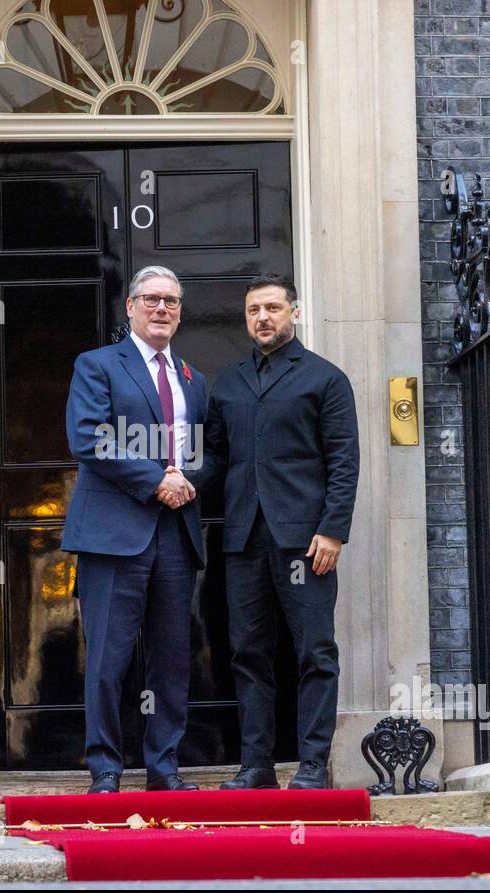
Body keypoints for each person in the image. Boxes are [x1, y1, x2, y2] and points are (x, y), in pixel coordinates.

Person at [195, 273, 360, 790]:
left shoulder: (325, 378)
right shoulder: (229, 382)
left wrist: (333, 530)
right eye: (253, 311)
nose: (262, 318)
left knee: (314, 652)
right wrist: (176, 480)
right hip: (242, 539)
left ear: (294, 312)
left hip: (306, 542)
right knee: (248, 654)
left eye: (272, 308)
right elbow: (216, 457)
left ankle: (312, 766)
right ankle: (256, 766)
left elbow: (343, 460)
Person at [61, 266, 207, 793]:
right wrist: (156, 480)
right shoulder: (98, 365)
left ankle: (164, 768)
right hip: (112, 532)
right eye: (151, 299)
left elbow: (205, 449)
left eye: (170, 300)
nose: (161, 308)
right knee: (107, 658)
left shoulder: (193, 377)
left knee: (171, 659)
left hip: (176, 534)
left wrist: (186, 479)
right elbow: (90, 437)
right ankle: (104, 769)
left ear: (180, 311)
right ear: (130, 307)